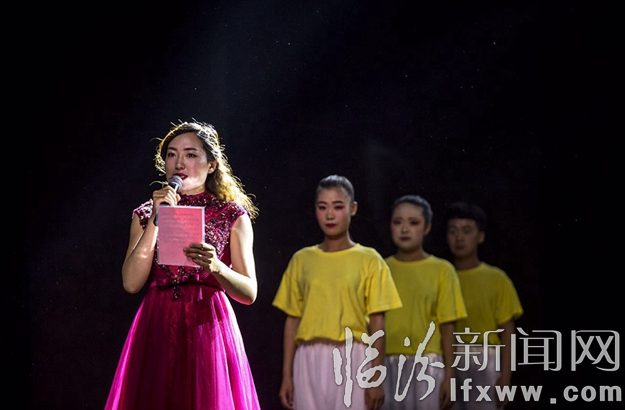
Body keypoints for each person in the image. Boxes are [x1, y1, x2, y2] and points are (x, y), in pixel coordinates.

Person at [104, 121, 261, 410]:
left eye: (190, 154)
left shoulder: (232, 214)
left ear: (212, 164)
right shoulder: (145, 214)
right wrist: (158, 217)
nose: (179, 163)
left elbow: (249, 292)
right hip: (158, 322)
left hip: (208, 323)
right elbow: (131, 283)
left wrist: (216, 267)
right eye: (171, 154)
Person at [272, 175, 403, 410]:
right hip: (308, 357)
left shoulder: (370, 259)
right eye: (323, 207)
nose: (330, 215)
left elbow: (378, 323)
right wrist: (287, 375)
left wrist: (376, 375)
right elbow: (292, 320)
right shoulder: (302, 259)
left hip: (354, 356)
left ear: (353, 208)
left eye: (338, 207)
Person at [382, 195, 467, 410]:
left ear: (427, 227)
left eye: (413, 223)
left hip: (428, 364)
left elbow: (448, 326)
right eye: (397, 222)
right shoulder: (380, 269)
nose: (404, 229)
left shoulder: (442, 270)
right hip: (386, 363)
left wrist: (450, 374)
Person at [445, 202, 523, 409]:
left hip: (485, 358)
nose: (459, 238)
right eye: (453, 231)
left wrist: (505, 377)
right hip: (447, 358)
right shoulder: (441, 277)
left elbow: (507, 332)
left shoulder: (497, 279)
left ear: (480, 237)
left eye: (467, 231)